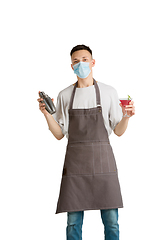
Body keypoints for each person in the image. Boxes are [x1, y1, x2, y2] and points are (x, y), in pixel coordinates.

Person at [37, 44, 135, 240]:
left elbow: (118, 132)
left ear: (93, 62)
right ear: (71, 66)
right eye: (75, 61)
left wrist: (126, 117)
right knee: (73, 223)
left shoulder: (108, 91)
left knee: (112, 223)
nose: (80, 64)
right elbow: (59, 134)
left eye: (84, 59)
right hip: (75, 167)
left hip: (103, 164)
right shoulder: (65, 95)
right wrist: (47, 115)